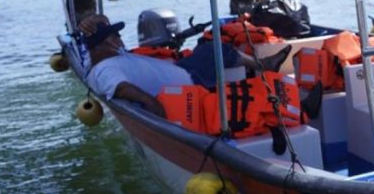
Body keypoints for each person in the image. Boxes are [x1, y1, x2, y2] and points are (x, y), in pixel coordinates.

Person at [78, 14, 291, 117]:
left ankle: (264, 70)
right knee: (214, 51)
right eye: (116, 35)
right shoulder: (105, 71)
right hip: (190, 82)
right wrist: (159, 115)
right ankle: (264, 67)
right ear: (107, 42)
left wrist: (95, 19)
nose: (120, 38)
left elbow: (89, 42)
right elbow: (125, 90)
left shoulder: (102, 56)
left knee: (209, 47)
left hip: (182, 68)